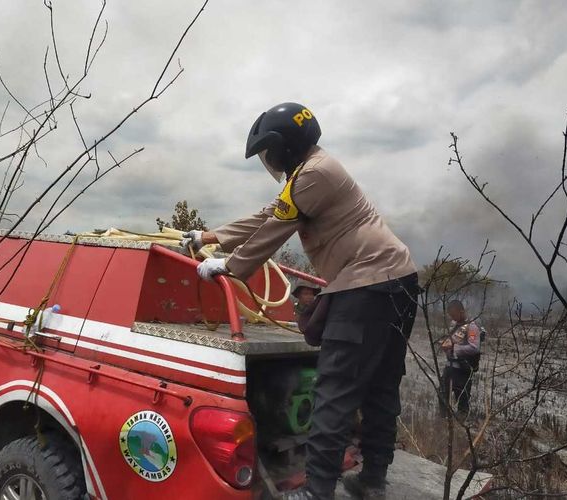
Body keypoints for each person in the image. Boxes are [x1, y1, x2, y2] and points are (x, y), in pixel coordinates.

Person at [181, 102, 418, 500]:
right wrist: (209, 237)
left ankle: (316, 491)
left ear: (285, 147)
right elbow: (268, 214)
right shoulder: (314, 170)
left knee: (334, 390)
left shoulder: (314, 175)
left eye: (269, 153)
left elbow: (276, 227)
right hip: (396, 282)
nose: (269, 161)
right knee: (380, 387)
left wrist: (228, 266)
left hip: (366, 285)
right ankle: (373, 478)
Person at [439, 300, 481, 416]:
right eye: (451, 316)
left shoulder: (472, 327)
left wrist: (454, 347)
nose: (453, 318)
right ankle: (444, 421)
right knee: (442, 393)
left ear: (461, 311)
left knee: (462, 399)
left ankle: (461, 427)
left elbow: (474, 347)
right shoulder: (454, 325)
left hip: (463, 370)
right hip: (450, 367)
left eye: (454, 315)